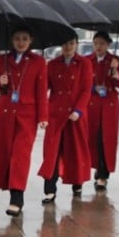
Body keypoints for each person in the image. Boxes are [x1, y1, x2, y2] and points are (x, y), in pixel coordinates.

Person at [0, 26, 48, 216]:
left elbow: (41, 90)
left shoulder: (38, 61)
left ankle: (17, 197)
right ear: (11, 40)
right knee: (6, 154)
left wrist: (43, 117)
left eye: (24, 38)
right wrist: (1, 83)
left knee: (20, 155)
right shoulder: (2, 60)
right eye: (17, 38)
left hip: (27, 114)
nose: (21, 42)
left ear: (31, 40)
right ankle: (9, 187)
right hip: (5, 113)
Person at [38, 36, 93, 203]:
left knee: (75, 150)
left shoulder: (84, 63)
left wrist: (79, 109)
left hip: (75, 115)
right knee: (51, 152)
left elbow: (86, 90)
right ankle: (49, 189)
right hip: (55, 114)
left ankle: (77, 182)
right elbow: (43, 88)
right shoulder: (53, 64)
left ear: (76, 44)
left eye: (71, 43)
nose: (68, 47)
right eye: (64, 43)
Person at [86, 31, 119, 191]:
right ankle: (97, 167)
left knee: (106, 138)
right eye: (96, 43)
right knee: (93, 138)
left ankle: (103, 174)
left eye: (102, 43)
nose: (98, 47)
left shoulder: (115, 60)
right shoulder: (88, 60)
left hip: (109, 104)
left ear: (108, 44)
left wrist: (115, 73)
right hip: (92, 103)